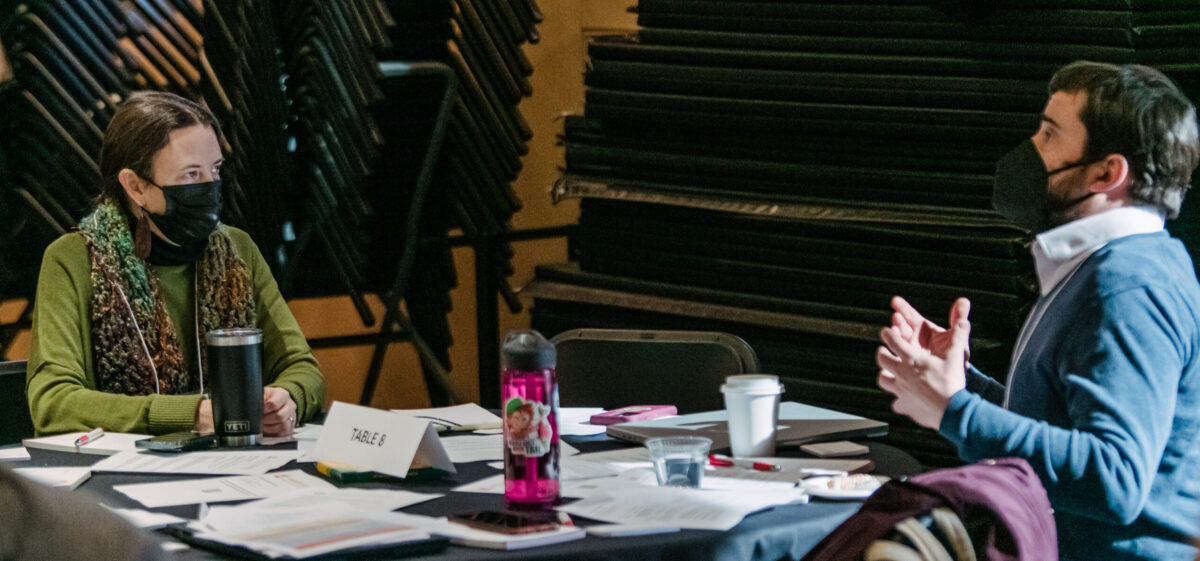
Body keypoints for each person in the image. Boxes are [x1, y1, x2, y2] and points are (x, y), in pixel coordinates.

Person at [876, 61, 1200, 561]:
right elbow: (1065, 420)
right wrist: (962, 385)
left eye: (1049, 134)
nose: (1030, 147)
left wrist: (953, 411)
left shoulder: (1129, 284)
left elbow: (1114, 478)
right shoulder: (1103, 265)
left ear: (1107, 173)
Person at [26, 91, 325, 437]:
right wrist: (190, 414)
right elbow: (53, 402)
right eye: (190, 175)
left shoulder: (237, 249)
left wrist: (287, 398)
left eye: (214, 170)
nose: (209, 187)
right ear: (135, 186)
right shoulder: (73, 260)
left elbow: (301, 367)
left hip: (236, 467)